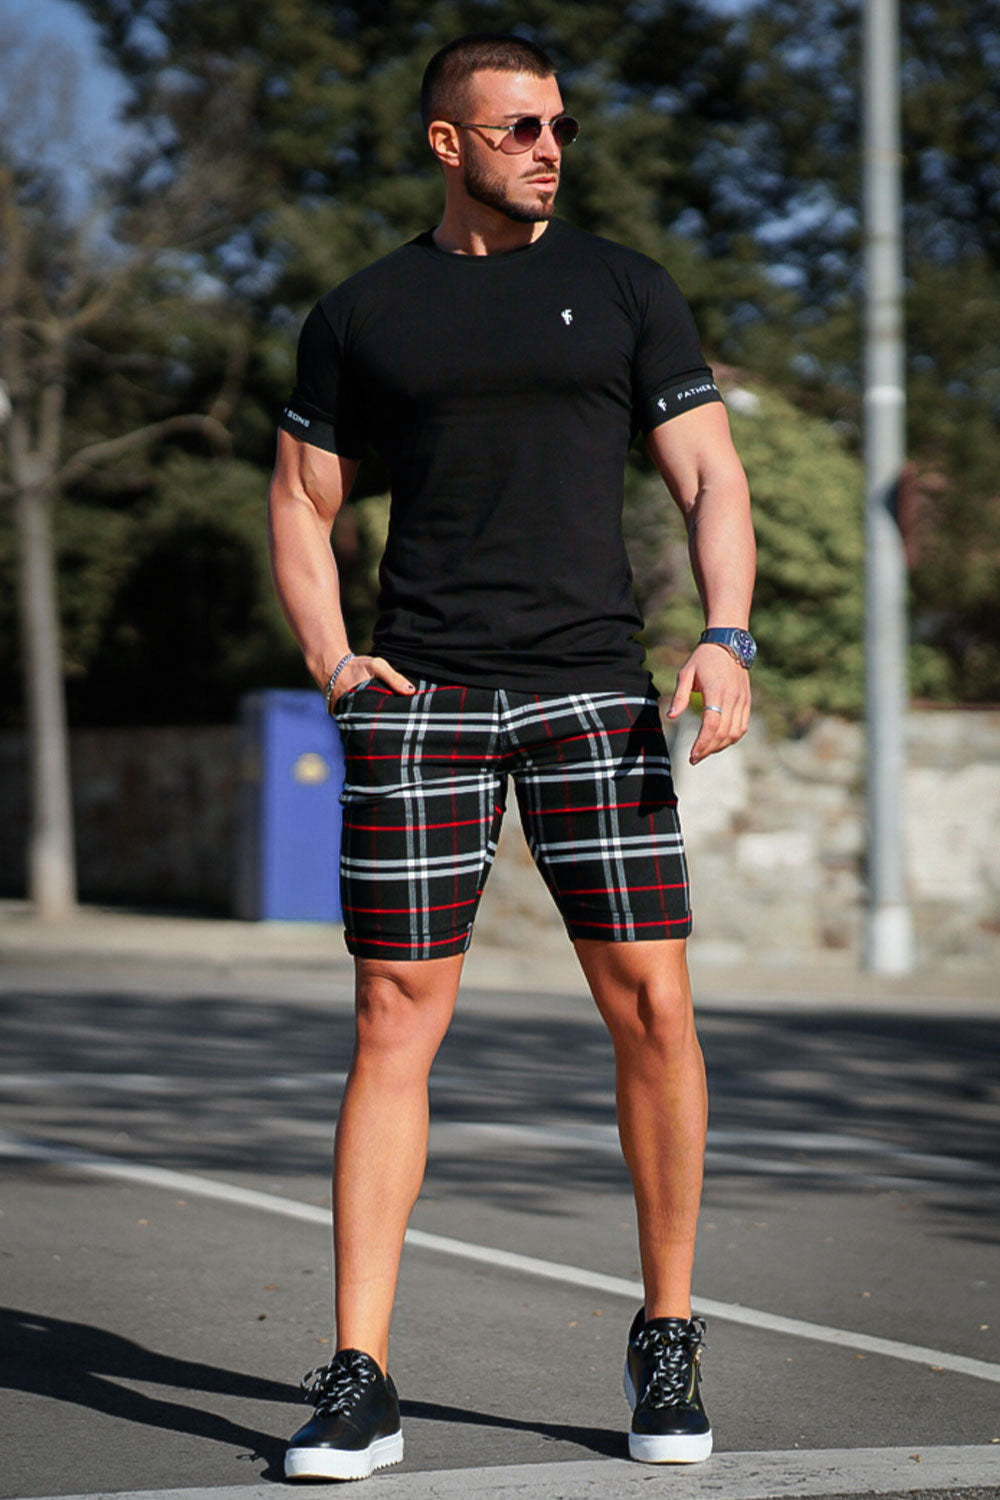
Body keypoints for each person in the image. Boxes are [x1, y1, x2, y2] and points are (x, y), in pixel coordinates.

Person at [268, 32, 755, 1482]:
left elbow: (711, 473)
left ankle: (667, 1335)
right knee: (391, 1017)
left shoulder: (625, 289)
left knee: (653, 1009)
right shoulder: (364, 312)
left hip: (593, 693)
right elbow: (300, 501)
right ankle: (361, 1377)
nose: (549, 148)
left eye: (559, 127)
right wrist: (334, 662)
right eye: (520, 127)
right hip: (422, 697)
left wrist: (726, 633)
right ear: (448, 142)